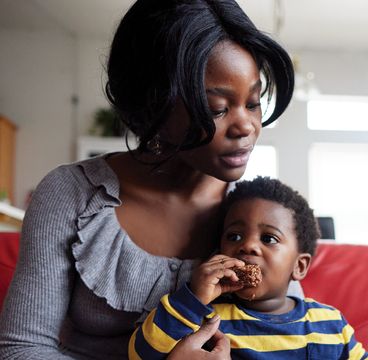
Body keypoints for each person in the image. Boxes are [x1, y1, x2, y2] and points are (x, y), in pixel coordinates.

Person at [0, 0, 294, 359]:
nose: (246, 126)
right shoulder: (71, 195)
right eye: (217, 108)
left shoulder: (261, 211)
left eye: (252, 103)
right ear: (153, 104)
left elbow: (296, 335)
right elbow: (21, 349)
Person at [130, 177, 368, 360]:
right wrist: (192, 298)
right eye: (234, 236)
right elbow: (140, 355)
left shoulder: (330, 323)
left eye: (269, 239)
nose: (247, 246)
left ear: (299, 266)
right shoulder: (206, 320)